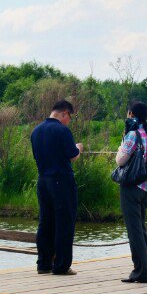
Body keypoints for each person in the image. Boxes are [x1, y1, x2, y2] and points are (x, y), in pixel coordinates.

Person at [30, 100, 84, 276]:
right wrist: (78, 148)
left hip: (43, 180)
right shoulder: (62, 130)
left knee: (45, 222)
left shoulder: (36, 131)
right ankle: (61, 265)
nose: (69, 121)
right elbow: (72, 155)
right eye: (69, 117)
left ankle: (43, 263)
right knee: (64, 222)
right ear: (64, 113)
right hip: (61, 180)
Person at [116, 101, 147, 284]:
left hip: (131, 186)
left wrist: (122, 143)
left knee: (134, 231)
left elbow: (121, 161)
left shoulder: (132, 135)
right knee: (141, 229)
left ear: (131, 114)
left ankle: (140, 272)